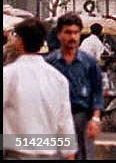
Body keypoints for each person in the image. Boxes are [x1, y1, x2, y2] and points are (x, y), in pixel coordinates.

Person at [3, 17, 77, 161]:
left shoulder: (8, 75)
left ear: (20, 41)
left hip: (15, 152)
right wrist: (69, 154)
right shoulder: (58, 79)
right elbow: (65, 122)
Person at [46, 12, 103, 161]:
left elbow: (97, 92)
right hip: (56, 120)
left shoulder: (89, 62)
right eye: (68, 32)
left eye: (76, 32)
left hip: (81, 117)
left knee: (83, 155)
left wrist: (95, 119)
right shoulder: (50, 63)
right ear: (59, 35)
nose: (72, 37)